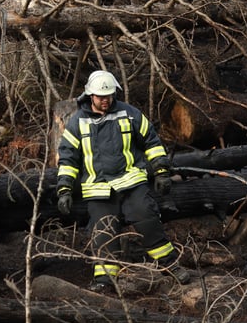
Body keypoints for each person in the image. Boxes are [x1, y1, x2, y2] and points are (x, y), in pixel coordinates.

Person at [55, 70, 192, 293]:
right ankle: (105, 280)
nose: (105, 100)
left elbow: (151, 142)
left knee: (147, 218)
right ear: (91, 95)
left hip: (131, 182)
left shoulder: (130, 114)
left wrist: (161, 171)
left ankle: (169, 265)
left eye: (109, 95)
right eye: (100, 96)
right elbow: (68, 159)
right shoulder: (77, 123)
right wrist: (64, 189)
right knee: (103, 232)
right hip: (98, 188)